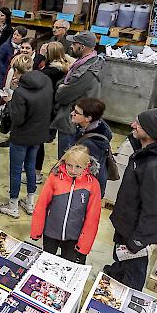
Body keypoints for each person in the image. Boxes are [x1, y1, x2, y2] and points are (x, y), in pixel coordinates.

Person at [106, 108, 157, 290]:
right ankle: (116, 272)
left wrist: (138, 241)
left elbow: (156, 210)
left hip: (136, 232)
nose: (132, 125)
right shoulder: (146, 151)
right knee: (120, 258)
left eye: (138, 123)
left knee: (132, 273)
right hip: (126, 222)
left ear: (151, 131)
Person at [0, 54, 53, 218]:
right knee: (30, 166)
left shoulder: (20, 92)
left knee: (15, 170)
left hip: (21, 136)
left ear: (16, 71)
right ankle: (29, 203)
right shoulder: (46, 81)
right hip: (38, 133)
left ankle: (13, 205)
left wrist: (9, 100)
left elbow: (17, 118)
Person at [30, 145, 102, 264]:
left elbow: (93, 218)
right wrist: (36, 230)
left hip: (74, 236)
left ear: (87, 165)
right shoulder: (55, 178)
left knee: (68, 265)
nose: (72, 170)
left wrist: (84, 245)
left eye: (78, 166)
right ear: (65, 162)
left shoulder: (93, 185)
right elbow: (41, 205)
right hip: (51, 232)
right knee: (46, 263)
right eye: (69, 165)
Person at [51, 31, 103, 159]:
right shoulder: (87, 62)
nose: (71, 46)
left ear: (82, 47)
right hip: (75, 119)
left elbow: (62, 96)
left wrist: (60, 87)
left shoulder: (87, 71)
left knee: (67, 160)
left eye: (74, 44)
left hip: (72, 123)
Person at [35, 41, 75, 183]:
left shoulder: (50, 71)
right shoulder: (65, 67)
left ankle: (36, 173)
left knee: (37, 141)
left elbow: (34, 76)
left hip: (45, 109)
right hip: (53, 108)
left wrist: (39, 56)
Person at [0, 26, 28, 123]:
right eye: (14, 34)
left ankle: (0, 116)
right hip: (3, 77)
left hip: (13, 78)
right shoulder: (5, 46)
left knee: (6, 98)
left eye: (18, 35)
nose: (15, 36)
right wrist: (6, 72)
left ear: (23, 37)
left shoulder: (22, 48)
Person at [71, 98, 113, 194]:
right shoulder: (101, 126)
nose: (72, 113)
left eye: (76, 112)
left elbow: (83, 172)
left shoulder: (89, 144)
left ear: (88, 118)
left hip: (86, 191)